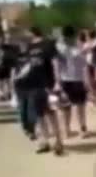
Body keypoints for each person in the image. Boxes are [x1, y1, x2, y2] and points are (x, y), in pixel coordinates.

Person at [15, 27, 64, 155]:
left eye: (26, 32)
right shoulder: (30, 47)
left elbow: (55, 63)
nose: (24, 35)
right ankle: (45, 141)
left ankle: (58, 141)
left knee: (51, 113)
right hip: (32, 85)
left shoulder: (48, 44)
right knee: (39, 114)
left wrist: (58, 82)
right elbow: (28, 65)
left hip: (47, 84)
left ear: (32, 32)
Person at [53, 26, 90, 139]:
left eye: (67, 37)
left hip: (77, 80)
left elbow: (85, 66)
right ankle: (67, 129)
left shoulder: (79, 47)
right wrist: (57, 81)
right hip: (65, 79)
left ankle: (82, 128)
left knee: (79, 106)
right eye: (64, 37)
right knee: (66, 107)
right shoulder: (59, 48)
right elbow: (56, 65)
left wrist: (86, 81)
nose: (66, 39)